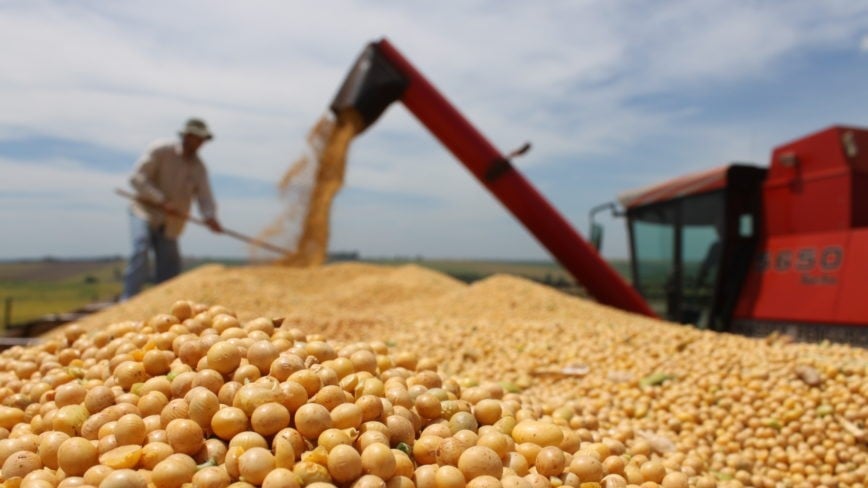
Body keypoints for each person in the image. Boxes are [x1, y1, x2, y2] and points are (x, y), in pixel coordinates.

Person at [120, 118, 223, 300]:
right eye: (197, 138)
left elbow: (205, 197)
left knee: (170, 265)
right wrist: (161, 201)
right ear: (187, 136)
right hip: (145, 211)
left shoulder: (199, 168)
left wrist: (210, 217)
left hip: (172, 222)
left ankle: (164, 305)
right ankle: (128, 299)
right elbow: (137, 178)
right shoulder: (161, 151)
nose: (200, 144)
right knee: (141, 247)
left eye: (202, 140)